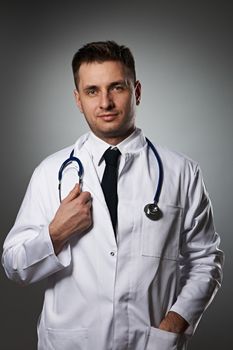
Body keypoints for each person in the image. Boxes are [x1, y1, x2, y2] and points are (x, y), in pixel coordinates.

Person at [2, 40, 223, 350]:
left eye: (116, 87)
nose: (104, 102)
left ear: (137, 92)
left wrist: (174, 323)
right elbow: (14, 266)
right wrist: (56, 233)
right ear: (78, 100)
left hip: (149, 344)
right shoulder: (50, 172)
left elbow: (205, 261)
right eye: (92, 91)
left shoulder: (181, 172)